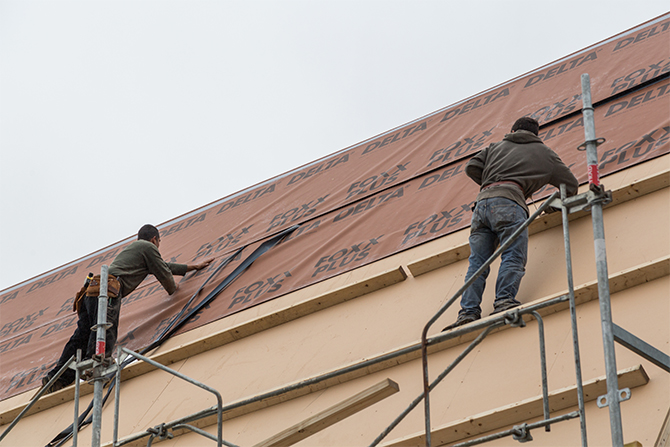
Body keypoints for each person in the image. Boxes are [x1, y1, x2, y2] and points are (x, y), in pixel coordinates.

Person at [42, 224, 214, 393]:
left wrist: (191, 267)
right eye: (159, 242)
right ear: (154, 239)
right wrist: (174, 288)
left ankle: (58, 378)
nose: (158, 246)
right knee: (105, 326)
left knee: (82, 334)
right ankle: (96, 364)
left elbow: (164, 265)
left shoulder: (136, 250)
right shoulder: (148, 247)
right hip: (108, 290)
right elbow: (163, 271)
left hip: (91, 290)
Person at [444, 117, 578, 330]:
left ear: (513, 130)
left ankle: (468, 312)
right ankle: (504, 301)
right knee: (513, 254)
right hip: (510, 203)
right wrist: (555, 204)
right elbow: (570, 185)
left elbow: (471, 168)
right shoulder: (546, 154)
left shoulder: (495, 147)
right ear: (537, 135)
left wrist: (492, 183)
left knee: (478, 262)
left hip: (481, 206)